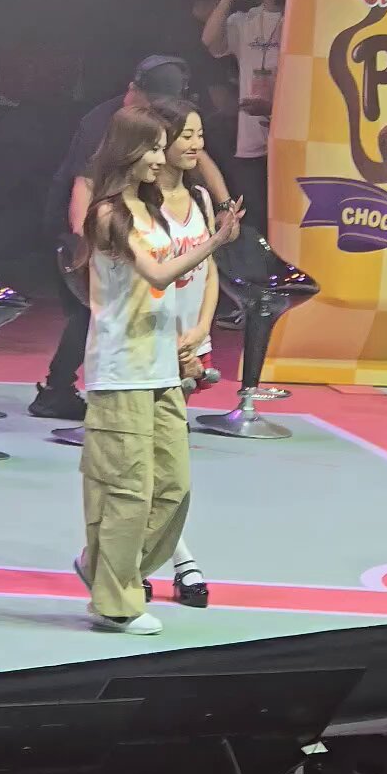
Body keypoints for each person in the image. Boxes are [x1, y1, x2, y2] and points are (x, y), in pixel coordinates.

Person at [74, 107, 241, 634]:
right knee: (127, 491)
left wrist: (194, 338)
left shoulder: (156, 210)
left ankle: (104, 568)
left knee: (173, 488)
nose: (158, 156)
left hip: (163, 366)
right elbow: (158, 274)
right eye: (152, 147)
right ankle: (115, 603)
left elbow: (189, 280)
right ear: (128, 151)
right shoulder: (108, 214)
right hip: (121, 369)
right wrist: (216, 240)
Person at [30, 55, 232, 422]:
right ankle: (57, 388)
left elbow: (200, 156)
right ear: (134, 90)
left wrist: (223, 204)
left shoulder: (175, 162)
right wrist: (87, 240)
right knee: (93, 308)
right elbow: (84, 183)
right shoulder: (107, 124)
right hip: (85, 224)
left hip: (140, 253)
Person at [154, 95, 223, 609]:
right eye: (187, 135)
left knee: (168, 463)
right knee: (154, 464)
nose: (197, 144)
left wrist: (200, 331)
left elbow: (209, 269)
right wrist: (172, 346)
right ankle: (181, 561)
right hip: (151, 348)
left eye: (200, 134)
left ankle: (139, 557)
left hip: (192, 345)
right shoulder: (137, 205)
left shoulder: (199, 197)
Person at [202, 0, 285, 234]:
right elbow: (210, 40)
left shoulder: (299, 19)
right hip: (250, 138)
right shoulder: (245, 20)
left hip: (287, 136)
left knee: (283, 218)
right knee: (255, 220)